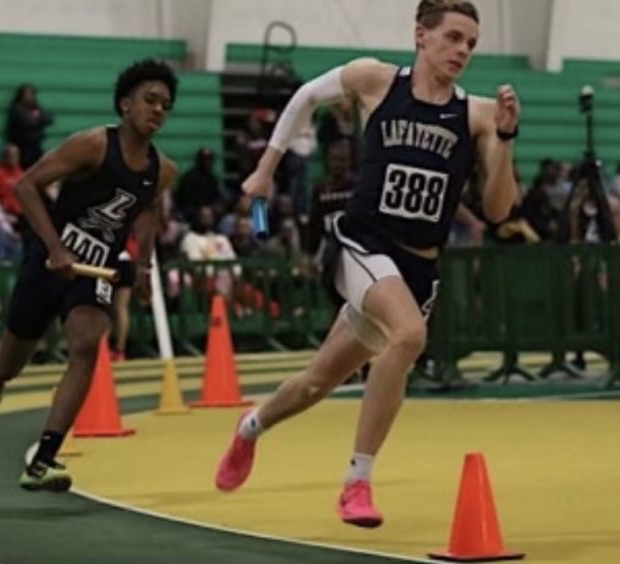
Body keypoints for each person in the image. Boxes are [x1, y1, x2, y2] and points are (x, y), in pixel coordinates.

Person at [214, 0, 519, 528]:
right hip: (361, 244)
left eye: (471, 43)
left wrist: (507, 142)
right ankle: (358, 481)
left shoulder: (482, 114)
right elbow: (305, 96)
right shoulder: (374, 79)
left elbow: (497, 211)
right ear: (421, 36)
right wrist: (266, 170)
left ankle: (250, 429)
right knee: (409, 333)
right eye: (452, 37)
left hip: (416, 269)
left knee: (316, 382)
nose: (463, 50)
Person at [0, 59, 179, 492]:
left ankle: (44, 459)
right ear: (125, 104)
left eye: (166, 104)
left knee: (87, 344)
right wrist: (54, 247)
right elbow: (26, 186)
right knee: (11, 361)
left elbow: (147, 210)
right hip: (49, 261)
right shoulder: (91, 145)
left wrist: (144, 265)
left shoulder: (162, 171)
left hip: (98, 269)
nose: (158, 110)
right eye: (150, 100)